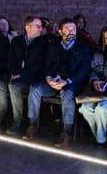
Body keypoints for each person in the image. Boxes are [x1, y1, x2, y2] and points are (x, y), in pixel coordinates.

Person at [26, 18, 92, 146]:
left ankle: (66, 133)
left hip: (71, 83)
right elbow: (46, 65)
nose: (71, 31)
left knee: (67, 94)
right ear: (60, 31)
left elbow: (84, 71)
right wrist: (48, 78)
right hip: (54, 81)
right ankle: (32, 125)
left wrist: (67, 81)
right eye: (67, 29)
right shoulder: (54, 45)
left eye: (73, 29)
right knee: (35, 88)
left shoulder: (83, 47)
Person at [0, 16, 49, 136]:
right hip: (17, 75)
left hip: (33, 77)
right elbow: (11, 60)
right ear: (28, 27)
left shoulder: (43, 43)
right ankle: (3, 119)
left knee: (16, 86)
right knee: (2, 84)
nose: (41, 29)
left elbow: (39, 66)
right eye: (38, 26)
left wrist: (20, 74)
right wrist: (14, 72)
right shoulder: (17, 41)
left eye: (41, 27)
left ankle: (21, 122)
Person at [76, 26, 107, 148]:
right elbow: (92, 71)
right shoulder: (98, 55)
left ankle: (101, 141)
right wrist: (95, 81)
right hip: (99, 90)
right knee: (85, 108)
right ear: (104, 40)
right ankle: (103, 134)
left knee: (101, 108)